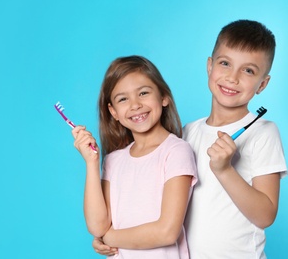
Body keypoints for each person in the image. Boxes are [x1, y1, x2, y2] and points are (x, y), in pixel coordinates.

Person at [93, 20, 287, 258]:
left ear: (263, 84)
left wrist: (225, 170)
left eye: (248, 70)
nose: (232, 77)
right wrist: (114, 238)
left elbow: (265, 215)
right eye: (225, 63)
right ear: (209, 66)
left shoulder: (263, 132)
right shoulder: (185, 134)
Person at [72, 55, 197, 258]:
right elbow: (97, 227)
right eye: (123, 99)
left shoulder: (176, 151)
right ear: (113, 112)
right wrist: (92, 163)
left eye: (143, 93)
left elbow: (167, 232)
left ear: (164, 97)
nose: (135, 104)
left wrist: (109, 238)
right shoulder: (113, 160)